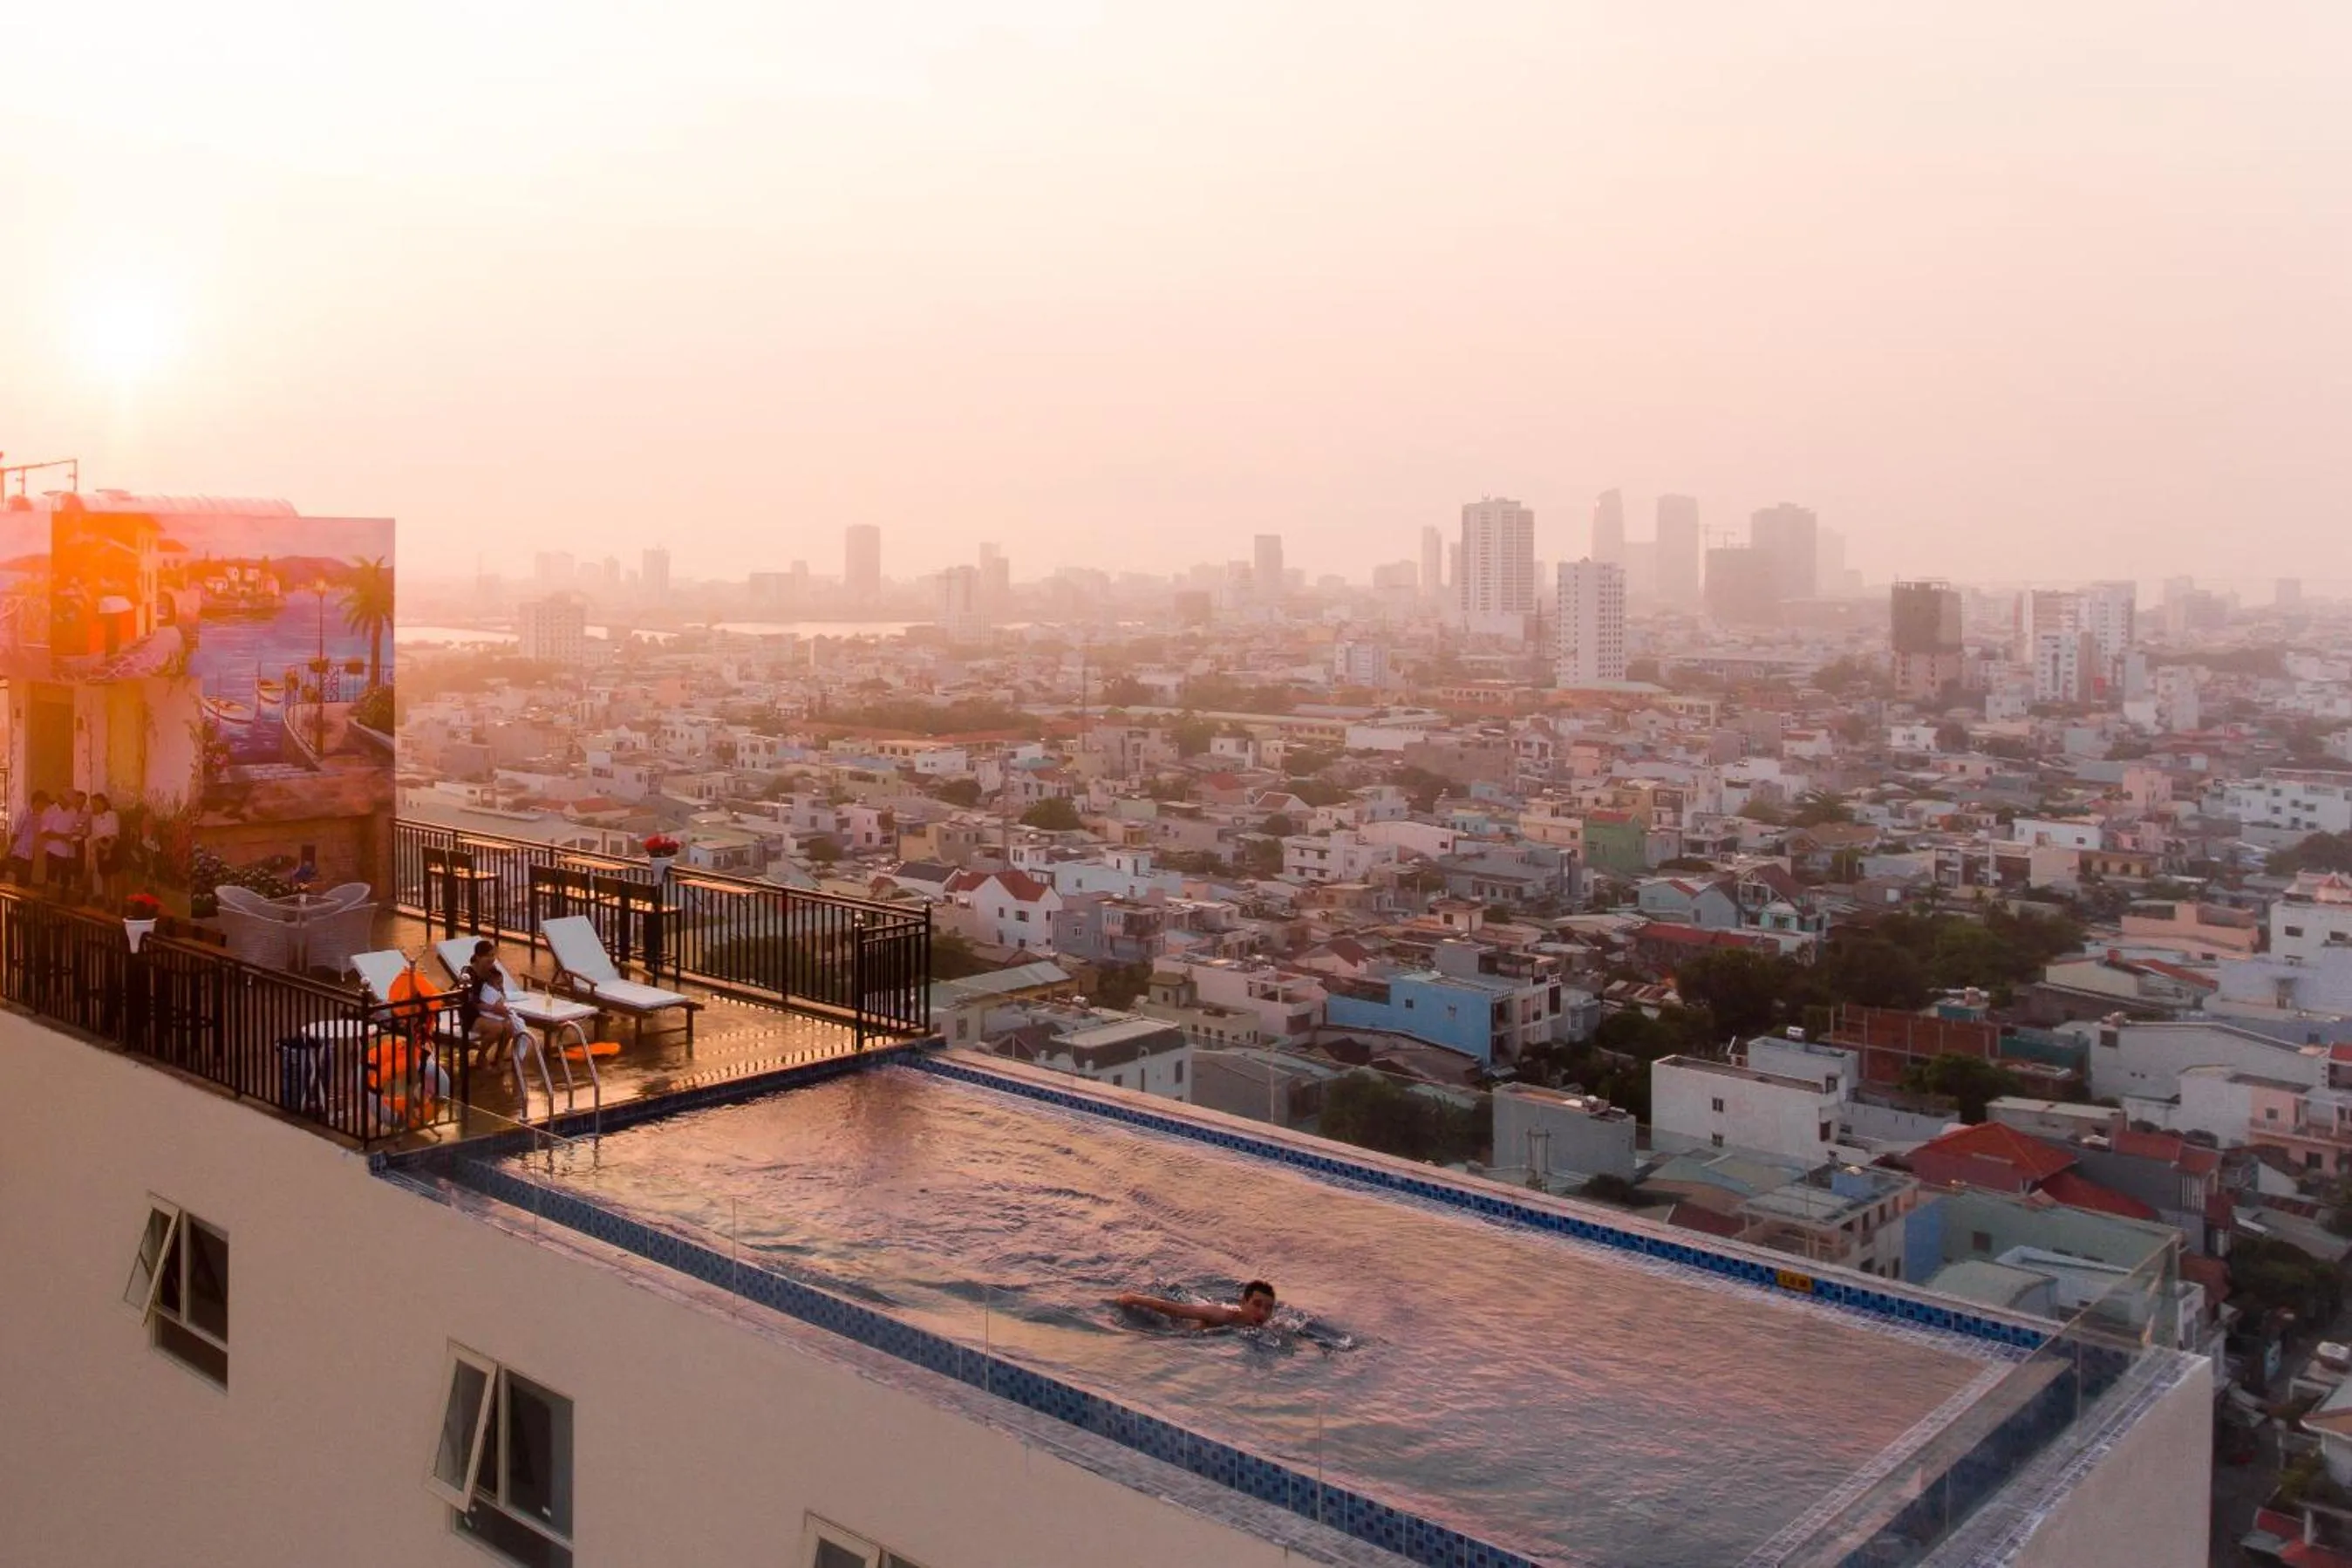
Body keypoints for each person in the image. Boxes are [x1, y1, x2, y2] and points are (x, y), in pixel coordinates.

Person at [1116, 1281, 1278, 1329]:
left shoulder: (1265, 1326)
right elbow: (1175, 1310)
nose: (1262, 1312)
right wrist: (1135, 1299)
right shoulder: (1221, 1315)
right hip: (1177, 1326)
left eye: (1268, 1308)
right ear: (1243, 1303)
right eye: (1257, 1305)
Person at [458, 938, 518, 1060]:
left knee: (510, 1027)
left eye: (493, 955)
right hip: (471, 1015)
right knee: (496, 1028)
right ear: (478, 957)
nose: (492, 959)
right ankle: (481, 1057)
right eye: (488, 956)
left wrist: (500, 1005)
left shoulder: (492, 971)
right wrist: (493, 1009)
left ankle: (499, 1059)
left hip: (488, 1012)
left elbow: (499, 990)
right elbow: (471, 1002)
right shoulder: (468, 973)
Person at [5, 792, 48, 886]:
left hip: (30, 854)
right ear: (37, 802)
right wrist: (9, 849)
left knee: (26, 881)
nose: (43, 807)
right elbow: (16, 832)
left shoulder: (39, 816)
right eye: (42, 803)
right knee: (19, 881)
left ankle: (21, 900)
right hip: (19, 853)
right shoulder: (24, 813)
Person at [85, 793, 121, 903]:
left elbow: (115, 834)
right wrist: (101, 848)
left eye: (95, 804)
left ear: (103, 803)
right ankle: (107, 903)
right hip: (100, 847)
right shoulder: (93, 818)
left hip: (112, 846)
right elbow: (95, 836)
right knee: (104, 877)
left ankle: (117, 903)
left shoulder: (112, 815)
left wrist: (108, 850)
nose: (94, 806)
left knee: (115, 877)